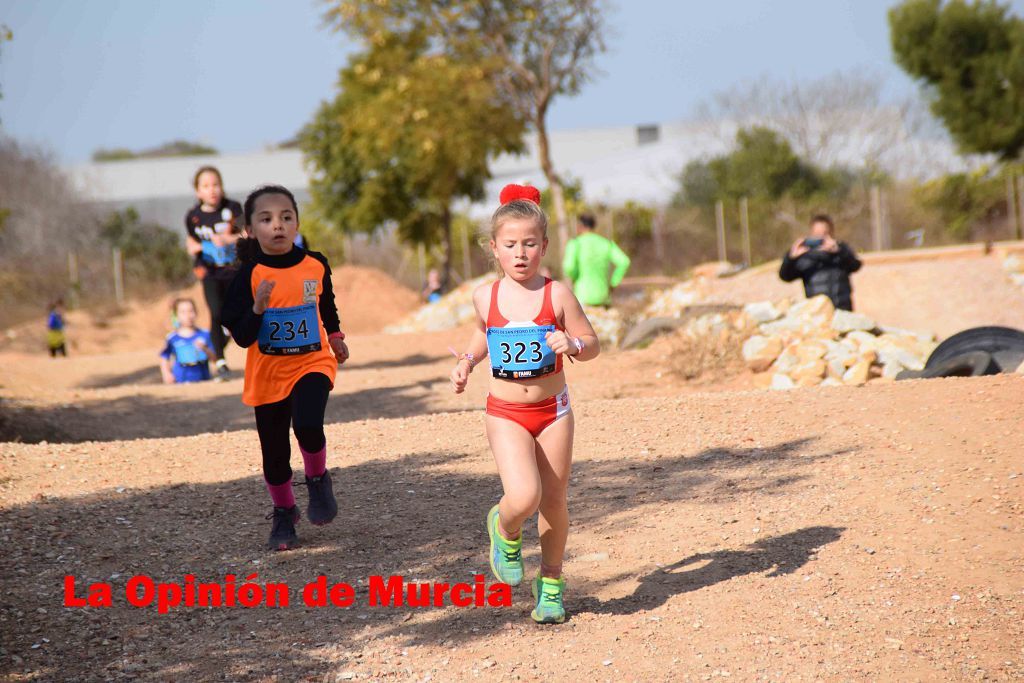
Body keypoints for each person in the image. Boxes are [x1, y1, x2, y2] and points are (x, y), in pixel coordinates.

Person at [450, 184, 600, 624]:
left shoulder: (557, 295)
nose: (520, 253)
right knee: (525, 494)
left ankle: (550, 584)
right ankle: (505, 526)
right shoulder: (485, 295)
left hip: (554, 411)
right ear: (494, 248)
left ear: (544, 246)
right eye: (510, 244)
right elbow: (485, 333)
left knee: (554, 500)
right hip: (506, 412)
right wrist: (467, 361)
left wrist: (571, 342)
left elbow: (592, 344)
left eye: (530, 244)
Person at [221, 185, 350, 551]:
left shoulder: (315, 263)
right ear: (251, 229)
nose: (277, 225)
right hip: (268, 372)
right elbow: (243, 337)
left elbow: (326, 306)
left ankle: (317, 479)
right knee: (274, 454)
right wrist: (258, 307)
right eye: (266, 219)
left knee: (308, 423)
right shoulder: (246, 276)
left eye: (285, 217)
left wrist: (336, 335)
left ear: (297, 223)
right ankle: (284, 511)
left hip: (312, 360)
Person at [184, 166, 243, 379]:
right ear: (198, 191)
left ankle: (225, 336)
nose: (212, 190)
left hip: (234, 270)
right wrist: (193, 247)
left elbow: (248, 233)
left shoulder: (234, 209)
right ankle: (220, 362)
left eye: (215, 184)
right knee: (216, 313)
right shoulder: (193, 217)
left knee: (235, 313)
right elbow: (191, 241)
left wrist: (228, 239)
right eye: (206, 186)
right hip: (209, 272)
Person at [779, 214, 862, 311]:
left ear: (831, 233)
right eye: (817, 234)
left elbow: (855, 266)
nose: (821, 237)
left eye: (825, 234)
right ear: (811, 233)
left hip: (842, 310)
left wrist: (838, 252)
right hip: (817, 312)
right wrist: (791, 258)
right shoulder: (805, 256)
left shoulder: (840, 251)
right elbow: (785, 276)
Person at [562, 213, 631, 307]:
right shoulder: (606, 243)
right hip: (604, 298)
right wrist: (613, 284)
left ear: (580, 226)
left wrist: (575, 277)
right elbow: (624, 262)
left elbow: (569, 267)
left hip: (583, 298)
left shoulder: (575, 243)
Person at [159, 298, 214, 384]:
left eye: (191, 311)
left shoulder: (205, 334)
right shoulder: (172, 338)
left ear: (196, 313)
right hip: (180, 381)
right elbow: (164, 357)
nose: (188, 315)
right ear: (176, 316)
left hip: (204, 380)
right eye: (183, 312)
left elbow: (215, 358)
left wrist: (204, 348)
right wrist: (166, 374)